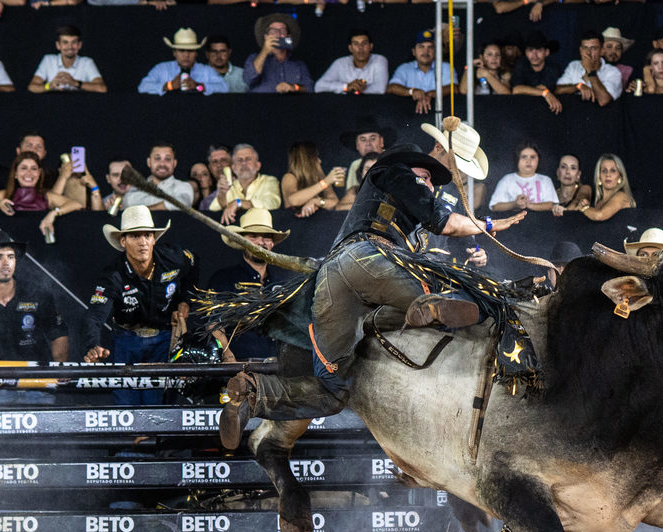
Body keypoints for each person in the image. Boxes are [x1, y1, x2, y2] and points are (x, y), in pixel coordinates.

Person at [217, 122, 527, 449]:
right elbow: (446, 223)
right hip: (370, 259)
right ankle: (426, 299)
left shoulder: (395, 188)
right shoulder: (399, 170)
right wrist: (490, 223)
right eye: (428, 177)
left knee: (333, 391)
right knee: (470, 296)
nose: (430, 184)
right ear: (435, 154)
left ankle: (252, 392)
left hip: (336, 281)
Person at [81, 206, 199, 406]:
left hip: (164, 338)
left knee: (159, 405)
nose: (143, 242)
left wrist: (185, 299)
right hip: (127, 340)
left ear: (154, 239)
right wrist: (92, 345)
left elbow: (194, 263)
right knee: (126, 405)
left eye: (147, 235)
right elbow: (95, 315)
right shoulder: (113, 275)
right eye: (135, 236)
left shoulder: (174, 257)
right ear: (123, 241)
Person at [0, 233, 68, 405]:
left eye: (10, 257)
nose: (6, 263)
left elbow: (58, 333)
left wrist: (60, 367)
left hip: (38, 387)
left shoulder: (37, 294)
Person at [205, 208, 293, 363]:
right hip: (240, 364)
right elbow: (214, 324)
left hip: (277, 367)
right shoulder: (224, 279)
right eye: (253, 236)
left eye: (266, 237)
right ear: (241, 241)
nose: (261, 242)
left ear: (272, 243)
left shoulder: (282, 283)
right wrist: (228, 358)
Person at [0, 152, 83, 242]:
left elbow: (76, 204)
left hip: (39, 245)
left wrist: (53, 214)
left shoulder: (47, 196)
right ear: (15, 173)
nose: (29, 173)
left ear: (39, 173)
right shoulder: (5, 195)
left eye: (33, 169)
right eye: (23, 168)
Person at [138, 28, 229, 95]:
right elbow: (142, 87)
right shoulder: (162, 69)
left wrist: (198, 86)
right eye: (182, 50)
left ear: (196, 53)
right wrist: (169, 85)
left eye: (190, 51)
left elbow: (224, 88)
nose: (186, 55)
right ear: (174, 53)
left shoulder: (206, 71)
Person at [388, 28, 457, 115]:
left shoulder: (445, 67)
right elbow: (391, 88)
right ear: (414, 51)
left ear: (435, 51)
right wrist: (412, 91)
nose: (426, 51)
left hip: (441, 114)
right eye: (421, 47)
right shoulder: (404, 68)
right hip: (408, 116)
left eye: (430, 47)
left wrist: (433, 93)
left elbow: (454, 88)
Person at [209, 144, 281, 225]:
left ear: (258, 166)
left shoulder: (269, 181)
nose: (243, 163)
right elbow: (213, 209)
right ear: (233, 168)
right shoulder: (230, 186)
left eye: (248, 159)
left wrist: (238, 202)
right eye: (239, 160)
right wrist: (221, 194)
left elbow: (273, 203)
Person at [245, 14, 313, 94]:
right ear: (266, 37)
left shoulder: (299, 65)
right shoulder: (253, 59)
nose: (278, 34)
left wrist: (294, 87)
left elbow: (310, 88)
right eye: (273, 31)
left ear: (288, 37)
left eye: (282, 31)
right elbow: (248, 79)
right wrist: (264, 51)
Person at [28, 25, 105, 94]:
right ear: (58, 45)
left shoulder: (87, 62)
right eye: (65, 42)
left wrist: (75, 83)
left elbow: (102, 88)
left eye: (73, 42)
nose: (70, 47)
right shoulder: (48, 60)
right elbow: (32, 87)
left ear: (79, 45)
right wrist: (50, 85)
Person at [556, 30, 623, 106]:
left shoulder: (613, 72)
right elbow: (558, 90)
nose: (588, 53)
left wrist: (591, 71)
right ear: (580, 50)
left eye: (593, 48)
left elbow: (603, 100)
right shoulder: (574, 65)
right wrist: (578, 86)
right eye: (585, 48)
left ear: (602, 51)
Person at [122, 141, 194, 211]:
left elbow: (181, 203)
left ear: (174, 163)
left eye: (168, 159)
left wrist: (141, 211)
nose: (162, 164)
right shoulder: (135, 189)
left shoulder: (183, 187)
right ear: (149, 162)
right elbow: (127, 204)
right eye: (157, 158)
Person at [488, 141, 557, 213]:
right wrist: (515, 204)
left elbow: (552, 205)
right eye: (524, 157)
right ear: (517, 159)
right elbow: (494, 206)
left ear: (538, 159)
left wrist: (529, 205)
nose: (528, 161)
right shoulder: (507, 180)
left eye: (532, 157)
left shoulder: (545, 180)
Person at [314, 29, 388, 95]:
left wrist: (354, 90)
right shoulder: (340, 63)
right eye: (356, 44)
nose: (360, 48)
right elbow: (319, 86)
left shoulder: (379, 60)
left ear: (371, 46)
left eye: (364, 43)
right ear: (350, 48)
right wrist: (346, 87)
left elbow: (380, 89)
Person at [281, 141, 343, 218]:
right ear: (308, 160)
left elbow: (334, 203)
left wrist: (316, 201)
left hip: (318, 222)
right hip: (294, 222)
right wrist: (325, 182)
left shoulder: (320, 177)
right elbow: (293, 200)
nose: (320, 161)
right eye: (316, 157)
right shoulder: (289, 177)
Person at [510, 31, 563, 114]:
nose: (534, 55)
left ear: (547, 52)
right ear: (526, 53)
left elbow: (544, 87)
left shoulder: (553, 68)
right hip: (522, 110)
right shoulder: (521, 64)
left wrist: (529, 90)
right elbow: (516, 89)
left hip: (548, 111)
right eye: (530, 50)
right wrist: (545, 93)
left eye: (539, 50)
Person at [576, 154, 634, 221]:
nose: (608, 175)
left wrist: (584, 208)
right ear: (599, 177)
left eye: (613, 171)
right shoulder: (598, 203)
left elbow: (599, 216)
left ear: (620, 177)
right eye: (604, 171)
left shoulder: (622, 196)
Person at [600, 27, 634, 93]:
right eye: (609, 47)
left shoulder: (627, 71)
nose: (613, 51)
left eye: (618, 48)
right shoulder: (590, 68)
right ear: (601, 49)